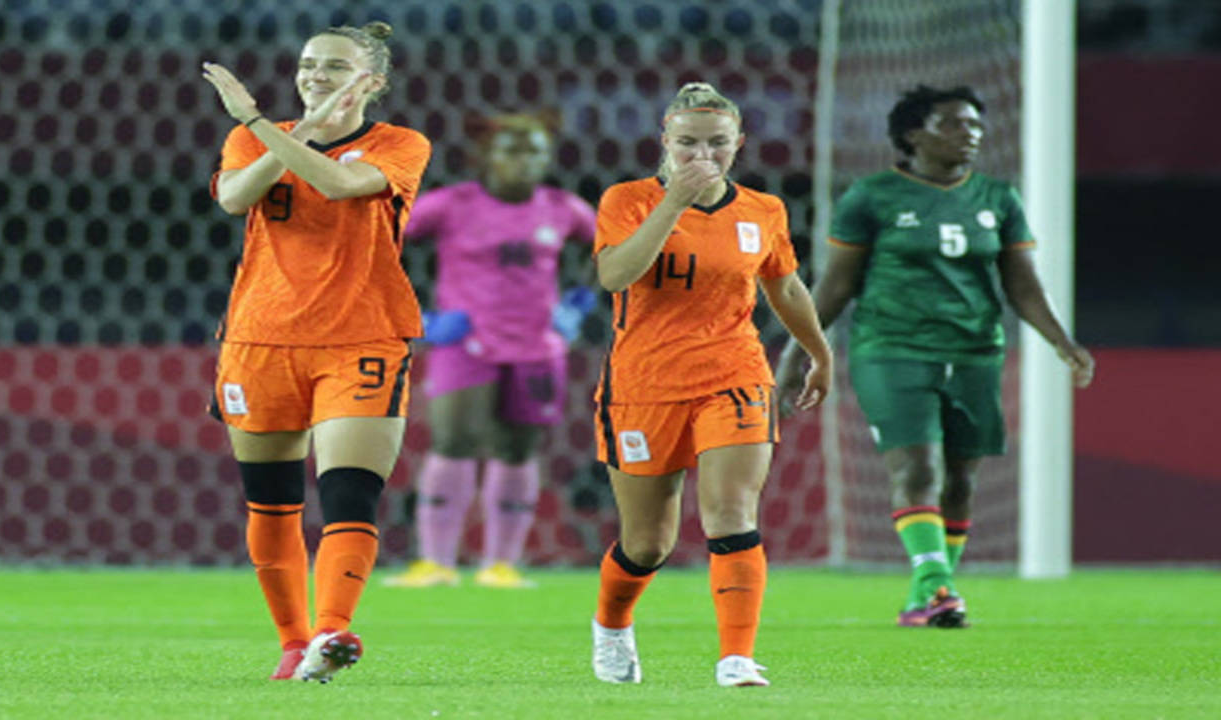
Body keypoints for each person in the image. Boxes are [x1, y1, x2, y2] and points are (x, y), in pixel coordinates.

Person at [774, 85, 1095, 629]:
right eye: (953, 124)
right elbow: (833, 286)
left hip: (975, 351)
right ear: (912, 135)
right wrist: (793, 355)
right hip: (891, 349)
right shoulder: (871, 197)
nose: (970, 134)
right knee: (918, 467)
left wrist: (1062, 341)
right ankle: (940, 587)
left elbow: (1022, 285)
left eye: (974, 124)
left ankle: (926, 596)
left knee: (961, 481)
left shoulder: (999, 199)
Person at [201, 21, 431, 682]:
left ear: (373, 83)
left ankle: (332, 633)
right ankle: (293, 642)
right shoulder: (251, 137)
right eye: (309, 65)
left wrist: (265, 122)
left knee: (348, 494)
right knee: (271, 503)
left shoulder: (399, 144)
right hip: (258, 339)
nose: (315, 77)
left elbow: (338, 185)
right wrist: (280, 126)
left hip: (362, 336)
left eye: (335, 67)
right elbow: (234, 197)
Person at [588, 82, 833, 687]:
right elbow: (616, 274)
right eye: (688, 143)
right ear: (665, 142)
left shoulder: (763, 210)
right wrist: (673, 204)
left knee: (730, 510)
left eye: (718, 143)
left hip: (734, 374)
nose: (703, 155)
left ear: (740, 143)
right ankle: (612, 625)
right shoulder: (629, 199)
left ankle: (736, 657)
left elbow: (787, 287)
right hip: (643, 384)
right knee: (647, 543)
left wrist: (818, 352)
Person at [383, 112, 597, 589]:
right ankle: (436, 562)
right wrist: (419, 317)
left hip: (538, 345)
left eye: (535, 151)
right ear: (487, 157)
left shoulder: (563, 208)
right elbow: (378, 243)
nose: (525, 161)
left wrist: (580, 304)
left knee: (518, 449)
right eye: (513, 150)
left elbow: (611, 249)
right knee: (453, 441)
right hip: (466, 341)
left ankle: (501, 564)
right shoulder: (451, 205)